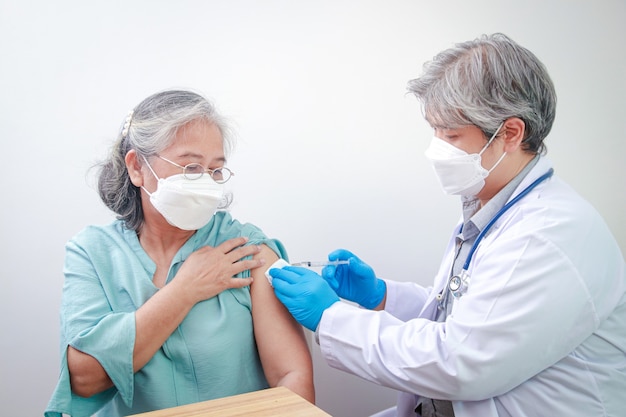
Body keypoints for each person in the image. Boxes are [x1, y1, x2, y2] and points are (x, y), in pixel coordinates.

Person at [268, 33, 626, 417]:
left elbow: (459, 361)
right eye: (435, 130)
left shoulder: (547, 235)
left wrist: (331, 317)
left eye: (451, 134)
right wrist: (382, 296)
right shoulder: (493, 202)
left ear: (510, 133)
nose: (436, 147)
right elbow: (472, 317)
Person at [45, 89, 314, 417]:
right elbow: (85, 377)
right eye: (190, 168)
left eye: (215, 171)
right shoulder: (92, 253)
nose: (207, 183)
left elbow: (293, 378)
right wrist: (185, 290)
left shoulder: (247, 248)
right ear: (137, 168)